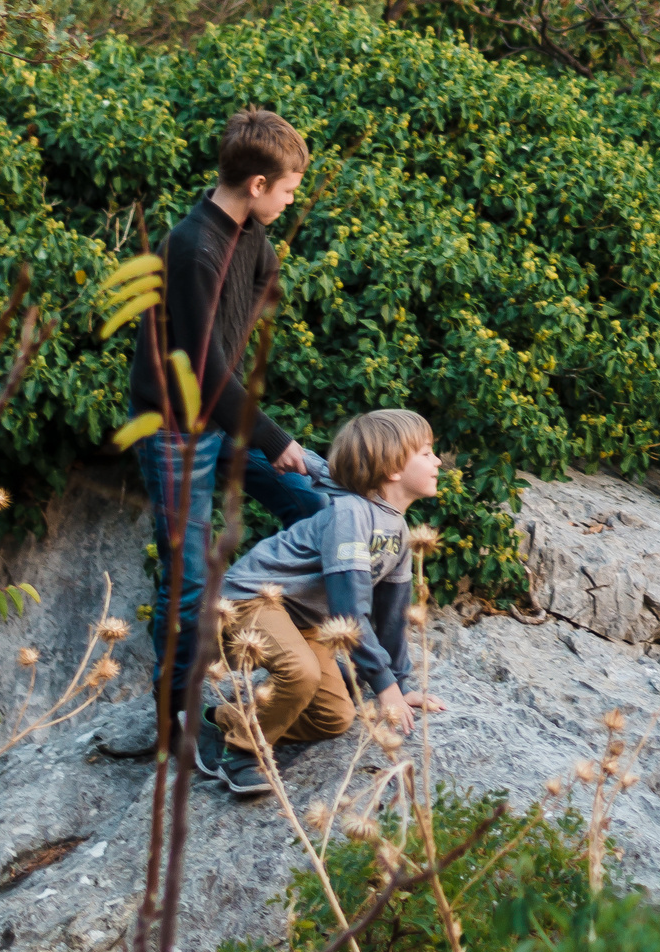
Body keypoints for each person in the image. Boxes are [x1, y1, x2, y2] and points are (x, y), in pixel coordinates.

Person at [130, 107, 333, 742]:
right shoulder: (194, 249)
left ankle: (297, 649)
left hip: (222, 417)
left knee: (318, 507)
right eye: (290, 188)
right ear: (256, 185)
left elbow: (234, 343)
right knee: (189, 580)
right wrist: (277, 441)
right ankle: (177, 723)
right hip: (174, 430)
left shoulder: (251, 237)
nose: (292, 198)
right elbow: (206, 374)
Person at [198, 408, 448, 797]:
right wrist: (383, 686)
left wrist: (400, 683)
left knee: (334, 717)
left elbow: (392, 616)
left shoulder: (396, 530)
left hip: (304, 618)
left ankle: (220, 721)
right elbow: (349, 612)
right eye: (428, 452)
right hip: (250, 599)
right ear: (394, 468)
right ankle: (242, 754)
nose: (438, 461)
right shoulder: (351, 515)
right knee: (301, 672)